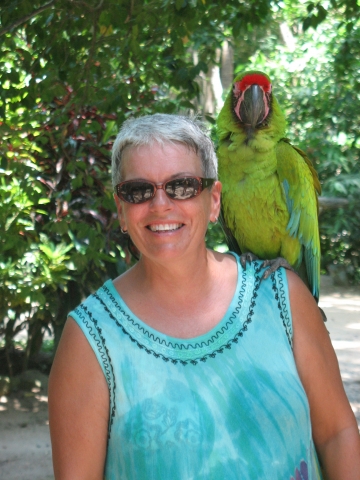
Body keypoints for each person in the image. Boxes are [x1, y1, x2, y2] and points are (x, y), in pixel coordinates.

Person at [48, 114, 360, 480]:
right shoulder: (90, 339)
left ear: (214, 201)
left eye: (182, 186)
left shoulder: (282, 296)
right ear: (120, 209)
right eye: (138, 191)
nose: (160, 204)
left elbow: (338, 434)